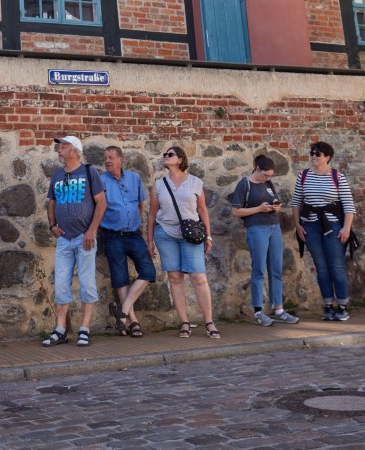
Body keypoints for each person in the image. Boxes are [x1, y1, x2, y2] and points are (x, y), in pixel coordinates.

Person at [40, 136, 108, 348]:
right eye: (59, 147)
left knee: (87, 283)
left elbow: (102, 203)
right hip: (64, 239)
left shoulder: (89, 172)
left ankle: (85, 328)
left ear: (75, 151)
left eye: (63, 147)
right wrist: (52, 226)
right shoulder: (58, 175)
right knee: (61, 284)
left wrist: (92, 231)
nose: (59, 150)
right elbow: (52, 203)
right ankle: (60, 329)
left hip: (84, 238)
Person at [146, 146, 219, 339]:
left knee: (198, 277)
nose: (165, 157)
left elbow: (202, 210)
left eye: (169, 155)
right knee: (175, 278)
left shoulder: (195, 182)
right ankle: (184, 322)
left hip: (191, 234)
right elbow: (152, 214)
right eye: (164, 155)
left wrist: (208, 235)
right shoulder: (159, 184)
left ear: (180, 159)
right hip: (165, 234)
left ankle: (209, 322)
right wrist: (150, 240)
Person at [229, 155, 299, 326]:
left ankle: (279, 310)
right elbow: (236, 211)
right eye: (265, 175)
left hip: (274, 227)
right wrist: (259, 209)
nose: (268, 178)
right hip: (256, 229)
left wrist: (276, 206)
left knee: (276, 269)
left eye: (270, 176)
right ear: (257, 169)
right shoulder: (244, 184)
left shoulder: (267, 183)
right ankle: (258, 312)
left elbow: (273, 199)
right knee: (259, 270)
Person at [290, 141, 355, 322]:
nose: (313, 157)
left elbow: (349, 206)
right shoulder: (303, 176)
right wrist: (298, 225)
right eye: (312, 153)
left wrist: (346, 228)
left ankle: (342, 305)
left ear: (327, 157)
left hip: (333, 226)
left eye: (317, 154)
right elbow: (296, 203)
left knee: (336, 266)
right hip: (310, 226)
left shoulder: (337, 177)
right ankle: (328, 305)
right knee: (321, 267)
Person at [99, 145, 154, 338]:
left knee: (148, 271)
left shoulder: (134, 178)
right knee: (120, 277)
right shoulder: (101, 181)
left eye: (111, 157)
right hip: (112, 235)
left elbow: (140, 204)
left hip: (134, 234)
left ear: (121, 159)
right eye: (105, 158)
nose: (107, 161)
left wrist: (132, 221)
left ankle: (121, 312)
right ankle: (133, 322)